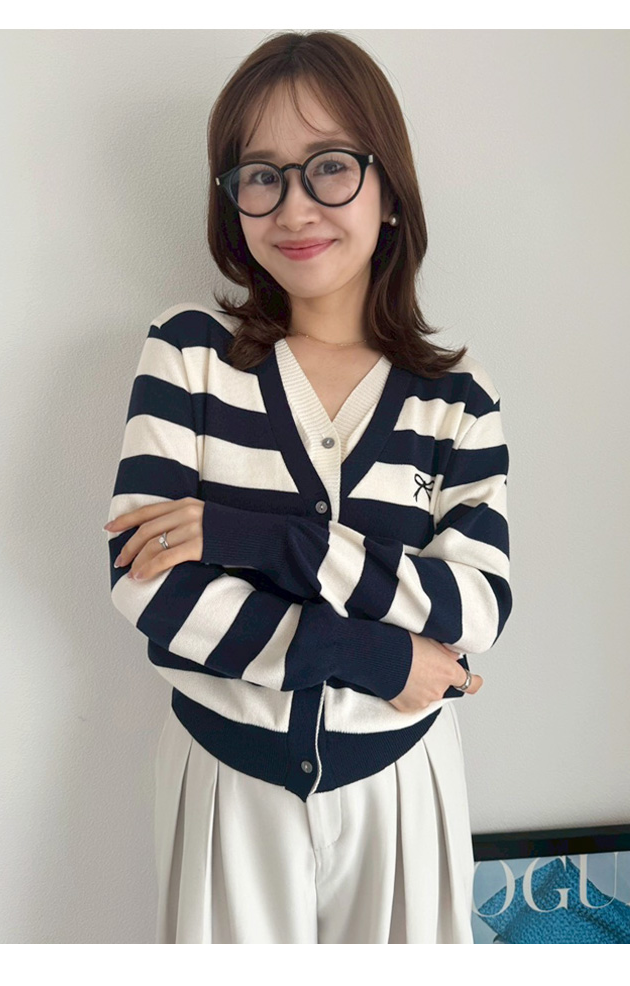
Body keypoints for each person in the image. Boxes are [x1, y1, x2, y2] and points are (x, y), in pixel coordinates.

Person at [104, 30, 512, 944]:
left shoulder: (458, 398)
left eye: (329, 166)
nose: (294, 207)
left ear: (389, 190)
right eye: (261, 176)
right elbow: (147, 581)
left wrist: (255, 538)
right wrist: (378, 657)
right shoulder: (190, 354)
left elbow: (476, 607)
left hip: (401, 788)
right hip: (226, 783)